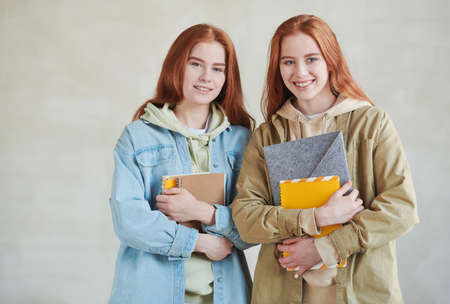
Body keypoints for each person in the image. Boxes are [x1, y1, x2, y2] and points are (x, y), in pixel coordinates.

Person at [232, 14, 418, 304]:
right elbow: (246, 218)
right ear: (277, 67)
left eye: (311, 59)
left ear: (330, 60)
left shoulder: (372, 123)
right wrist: (315, 218)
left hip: (361, 293)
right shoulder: (268, 135)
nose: (300, 72)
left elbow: (401, 209)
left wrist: (326, 248)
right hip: (283, 293)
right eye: (288, 61)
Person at [109, 24, 254, 304]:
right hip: (149, 293)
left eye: (217, 68)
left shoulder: (241, 140)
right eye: (196, 64)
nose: (205, 77)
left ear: (227, 77)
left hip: (225, 294)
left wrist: (203, 212)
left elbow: (253, 224)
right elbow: (129, 220)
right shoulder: (137, 137)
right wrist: (200, 243)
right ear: (177, 66)